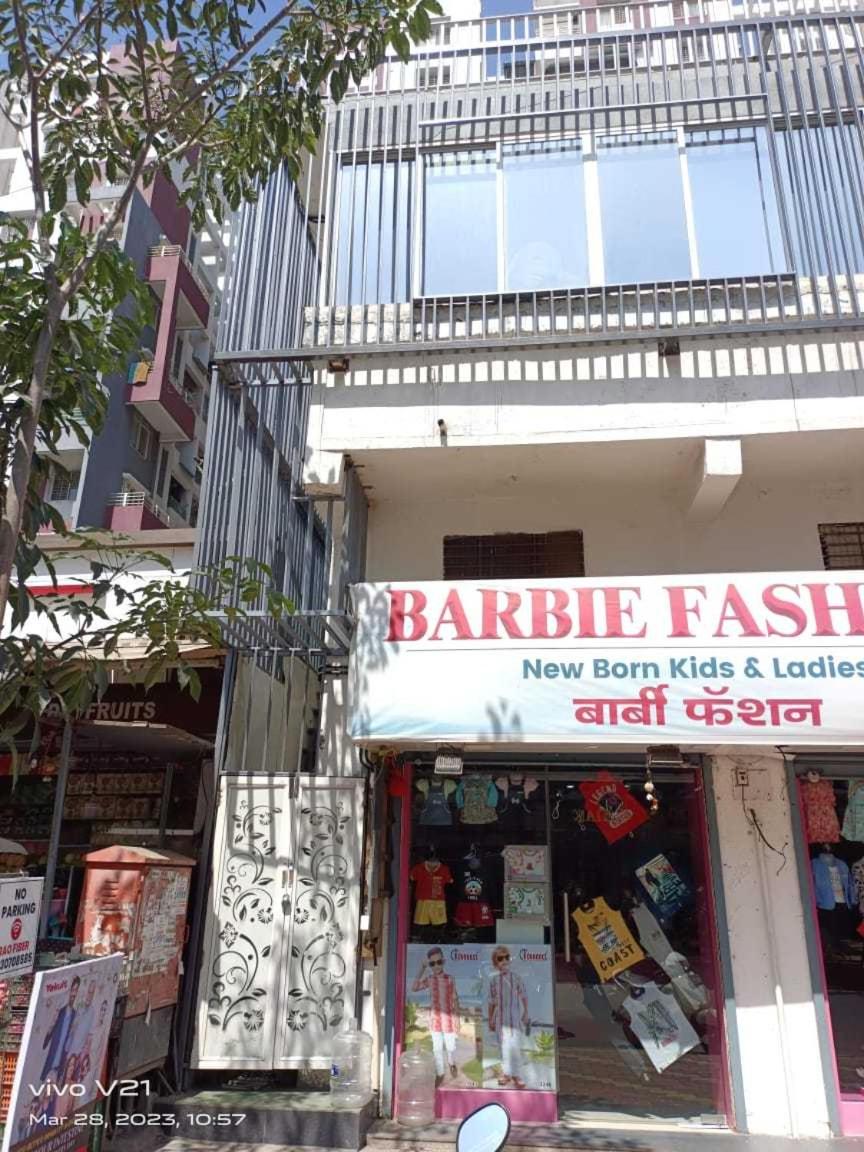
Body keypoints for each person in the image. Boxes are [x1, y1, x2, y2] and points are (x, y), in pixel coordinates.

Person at [412, 947, 460, 1087]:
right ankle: (440, 1073)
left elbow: (455, 998)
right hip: (435, 1020)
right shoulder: (430, 979)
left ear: (443, 961)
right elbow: (414, 988)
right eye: (432, 964)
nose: (436, 966)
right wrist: (422, 967)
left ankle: (451, 1062)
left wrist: (457, 1018)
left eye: (439, 962)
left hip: (448, 1019)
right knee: (437, 1049)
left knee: (450, 1047)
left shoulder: (450, 979)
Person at [487, 946, 530, 1089]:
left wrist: (526, 1012)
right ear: (496, 963)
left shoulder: (516, 978)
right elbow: (491, 1002)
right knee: (503, 1046)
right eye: (500, 959)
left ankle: (517, 1075)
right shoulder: (494, 981)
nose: (504, 961)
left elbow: (524, 995)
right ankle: (506, 1074)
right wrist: (490, 1019)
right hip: (500, 1019)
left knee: (515, 1046)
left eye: (507, 957)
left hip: (514, 1018)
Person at [40, 976, 79, 1082]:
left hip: (59, 1070)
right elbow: (44, 1043)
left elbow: (69, 1046)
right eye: (72, 990)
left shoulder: (75, 1015)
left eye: (76, 990)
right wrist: (51, 1025)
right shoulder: (59, 1012)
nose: (73, 993)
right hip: (49, 1065)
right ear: (69, 991)